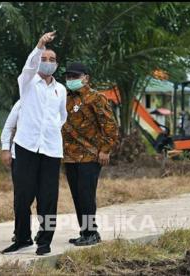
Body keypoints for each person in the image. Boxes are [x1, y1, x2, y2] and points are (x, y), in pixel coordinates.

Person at [1, 32, 67, 256]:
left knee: (48, 199)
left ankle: (45, 240)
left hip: (51, 150)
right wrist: (39, 45)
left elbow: (62, 117)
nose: (48, 62)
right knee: (23, 196)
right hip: (26, 147)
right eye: (44, 59)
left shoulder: (61, 89)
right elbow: (29, 66)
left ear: (57, 64)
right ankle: (21, 238)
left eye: (52, 59)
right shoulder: (27, 82)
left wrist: (50, 131)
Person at [62, 62, 118, 246]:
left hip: (90, 155)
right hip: (70, 156)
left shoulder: (96, 98)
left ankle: (91, 233)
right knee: (77, 196)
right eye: (68, 77)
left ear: (86, 78)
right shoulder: (66, 98)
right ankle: (85, 232)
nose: (71, 80)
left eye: (75, 77)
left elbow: (109, 125)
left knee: (86, 195)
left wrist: (105, 149)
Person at [0, 99, 21, 242]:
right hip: (21, 156)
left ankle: (44, 231)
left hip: (46, 156)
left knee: (45, 197)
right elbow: (8, 127)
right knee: (21, 196)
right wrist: (5, 149)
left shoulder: (55, 96)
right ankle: (20, 231)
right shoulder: (21, 103)